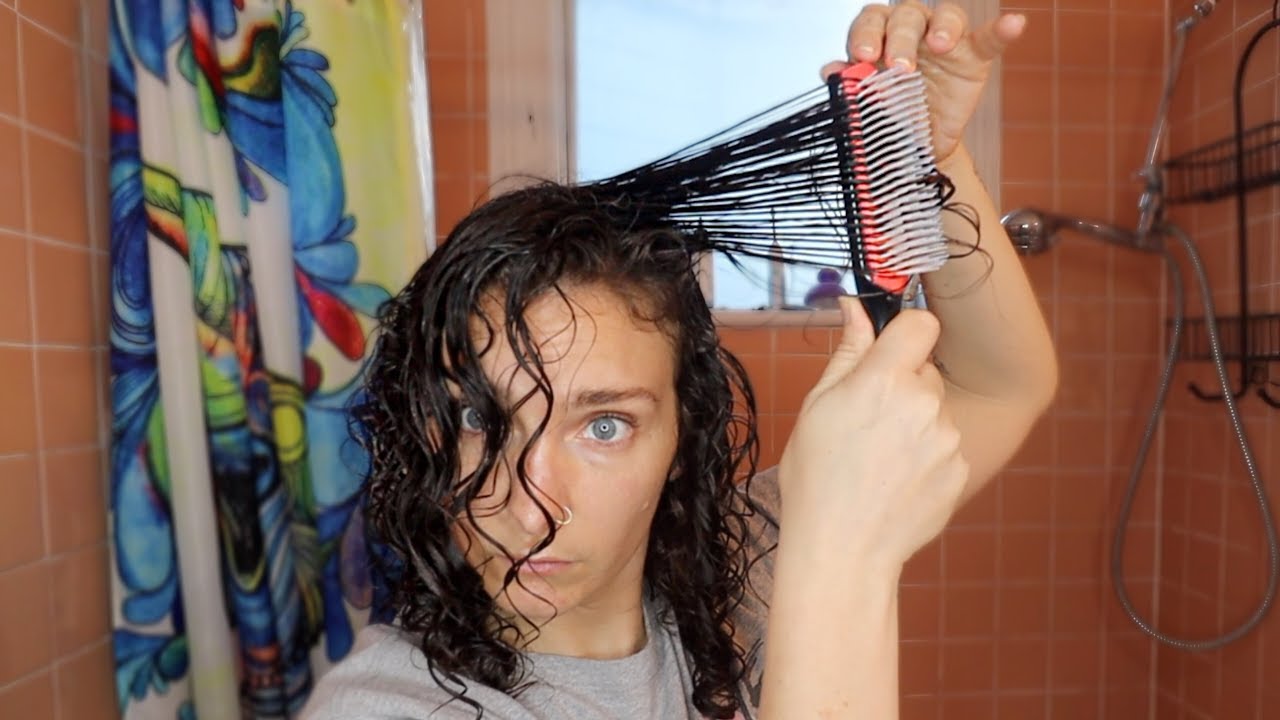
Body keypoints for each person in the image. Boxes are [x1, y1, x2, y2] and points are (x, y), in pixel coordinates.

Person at [302, 2, 1057, 718]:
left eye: (605, 426)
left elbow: (1000, 386)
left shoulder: (741, 567)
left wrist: (927, 161)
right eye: (478, 416)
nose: (529, 508)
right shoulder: (389, 704)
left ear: (681, 436)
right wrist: (842, 556)